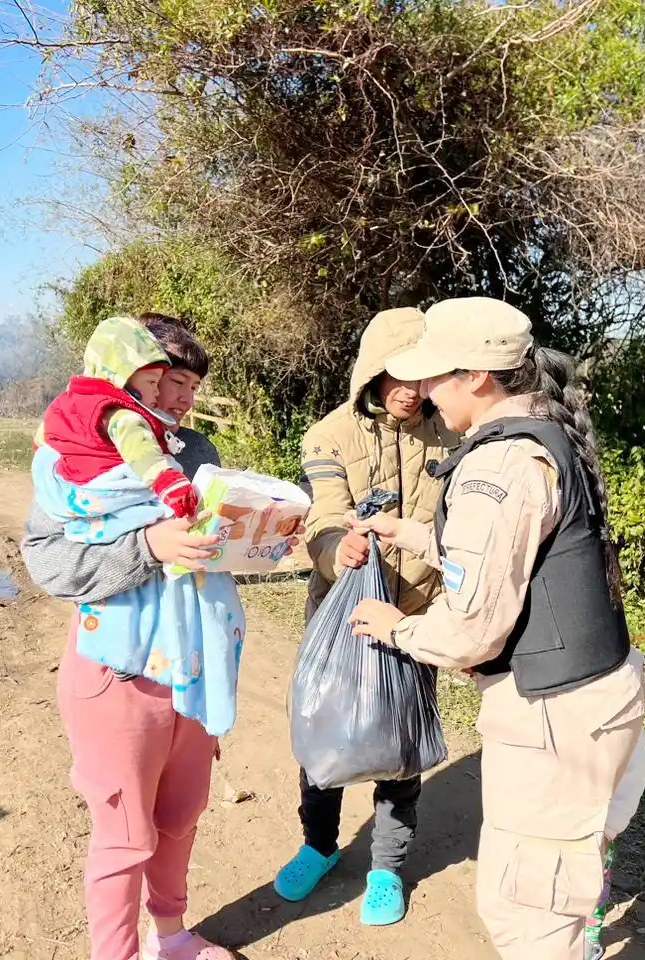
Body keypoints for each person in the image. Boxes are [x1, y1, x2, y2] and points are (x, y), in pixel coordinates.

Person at [346, 297, 645, 960]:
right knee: (568, 879)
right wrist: (418, 535)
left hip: (554, 719)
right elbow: (524, 554)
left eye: (433, 376)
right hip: (604, 696)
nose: (421, 391)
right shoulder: (547, 428)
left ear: (478, 376)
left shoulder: (497, 462)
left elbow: (469, 632)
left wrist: (397, 628)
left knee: (526, 911)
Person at [22, 315, 238, 960]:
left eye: (192, 385)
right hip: (119, 673)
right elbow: (49, 562)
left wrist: (253, 542)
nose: (182, 398)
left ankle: (170, 937)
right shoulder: (71, 461)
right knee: (123, 834)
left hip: (194, 667)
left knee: (179, 817)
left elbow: (211, 551)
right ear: (126, 380)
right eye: (170, 380)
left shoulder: (196, 454)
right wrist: (147, 544)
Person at [274, 306, 454, 927]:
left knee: (398, 745)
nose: (411, 389)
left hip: (413, 614)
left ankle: (386, 868)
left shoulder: (454, 432)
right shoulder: (327, 435)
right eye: (397, 375)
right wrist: (334, 550)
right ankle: (319, 846)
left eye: (423, 375)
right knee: (327, 735)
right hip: (341, 613)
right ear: (371, 374)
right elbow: (323, 516)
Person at [41, 314, 199, 519]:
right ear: (124, 376)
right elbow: (140, 446)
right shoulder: (122, 414)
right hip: (114, 498)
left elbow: (45, 438)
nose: (188, 399)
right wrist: (166, 481)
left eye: (195, 387)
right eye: (176, 381)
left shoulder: (65, 404)